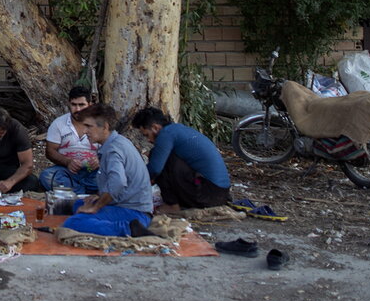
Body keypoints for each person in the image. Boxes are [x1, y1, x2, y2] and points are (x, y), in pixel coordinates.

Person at [61, 104, 154, 237]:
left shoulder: (114, 149)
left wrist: (96, 206)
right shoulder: (115, 142)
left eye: (89, 126)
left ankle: (128, 229)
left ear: (105, 127)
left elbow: (118, 183)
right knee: (78, 205)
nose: (85, 131)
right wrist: (99, 197)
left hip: (134, 212)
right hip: (128, 206)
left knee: (73, 223)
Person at [132, 107, 231, 213]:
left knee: (158, 157)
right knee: (160, 157)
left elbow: (155, 169)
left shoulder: (166, 135)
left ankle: (171, 205)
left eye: (147, 135)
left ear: (155, 127)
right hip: (220, 194)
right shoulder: (177, 129)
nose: (148, 140)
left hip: (208, 195)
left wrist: (132, 183)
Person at [39, 86, 100, 194]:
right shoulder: (58, 124)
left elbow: (111, 148)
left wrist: (100, 160)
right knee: (47, 176)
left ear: (90, 104)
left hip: (93, 171)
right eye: (74, 105)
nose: (78, 109)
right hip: (67, 171)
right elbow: (50, 152)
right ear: (69, 104)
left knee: (110, 175)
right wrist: (67, 162)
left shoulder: (99, 124)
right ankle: (84, 194)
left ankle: (73, 193)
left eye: (81, 105)